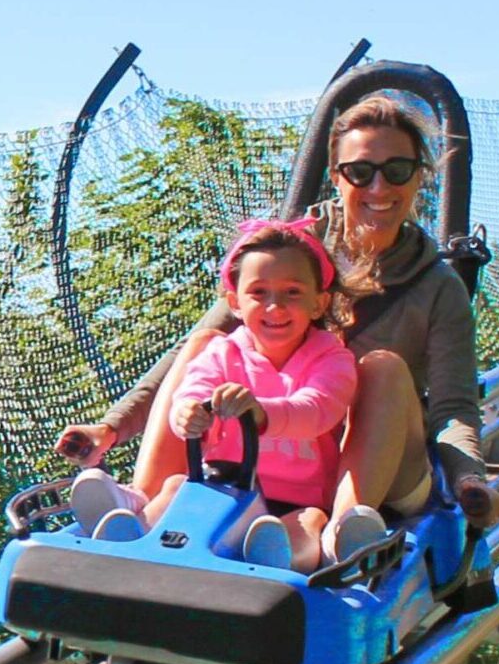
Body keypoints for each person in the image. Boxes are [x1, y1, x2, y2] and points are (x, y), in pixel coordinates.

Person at [57, 94, 499, 560]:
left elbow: (454, 406)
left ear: (418, 177)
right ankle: (143, 509)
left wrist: (469, 479)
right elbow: (194, 356)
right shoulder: (286, 255)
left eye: (396, 171)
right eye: (360, 171)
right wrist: (110, 428)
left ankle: (343, 530)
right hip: (271, 455)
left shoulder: (438, 286)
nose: (378, 187)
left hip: (373, 459)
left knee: (381, 367)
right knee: (210, 341)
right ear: (336, 177)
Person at [69, 219, 356, 573]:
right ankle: (131, 532)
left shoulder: (331, 357)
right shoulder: (223, 352)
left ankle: (278, 557)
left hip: (293, 500)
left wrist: (260, 413)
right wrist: (187, 413)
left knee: (309, 522)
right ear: (235, 302)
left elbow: (318, 409)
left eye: (292, 292)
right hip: (222, 490)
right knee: (177, 487)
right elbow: (195, 388)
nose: (275, 307)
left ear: (318, 303)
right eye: (259, 293)